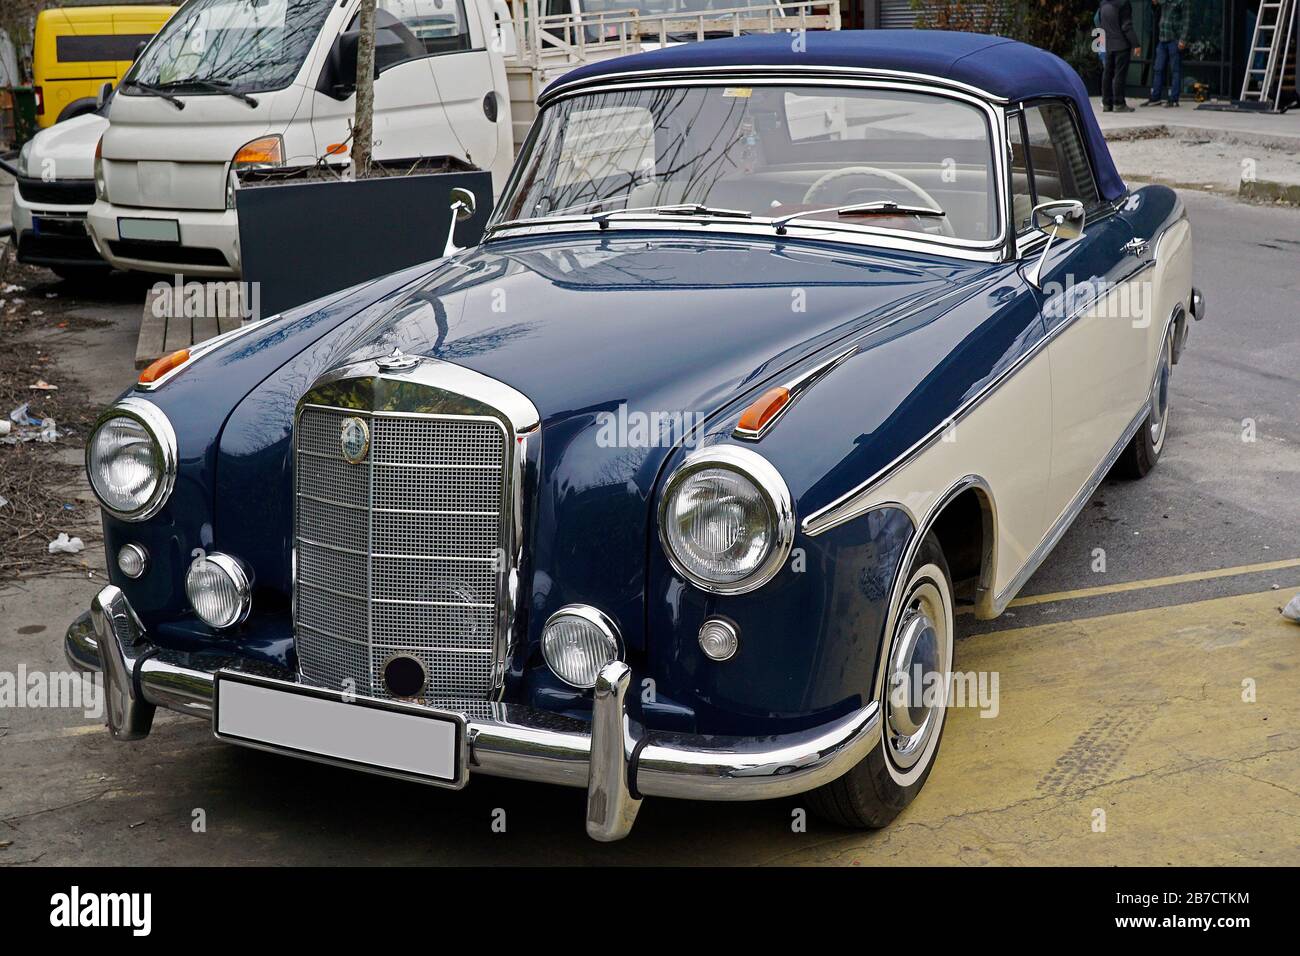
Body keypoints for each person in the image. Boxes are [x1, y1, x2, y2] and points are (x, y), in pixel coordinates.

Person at [1142, 0, 1189, 106]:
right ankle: (1155, 97)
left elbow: (1186, 21)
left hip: (1174, 39)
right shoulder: (1164, 2)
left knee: (1175, 70)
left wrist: (1183, 39)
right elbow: (1154, 9)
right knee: (1158, 68)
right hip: (1162, 39)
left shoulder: (1181, 2)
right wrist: (1154, 4)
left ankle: (1174, 99)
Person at [1099, 0, 1141, 112]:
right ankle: (1119, 103)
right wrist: (1135, 44)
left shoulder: (1103, 3)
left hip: (1108, 44)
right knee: (1119, 75)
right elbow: (1126, 26)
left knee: (1107, 74)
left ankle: (1106, 103)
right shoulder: (1123, 4)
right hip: (1121, 45)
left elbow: (1100, 23)